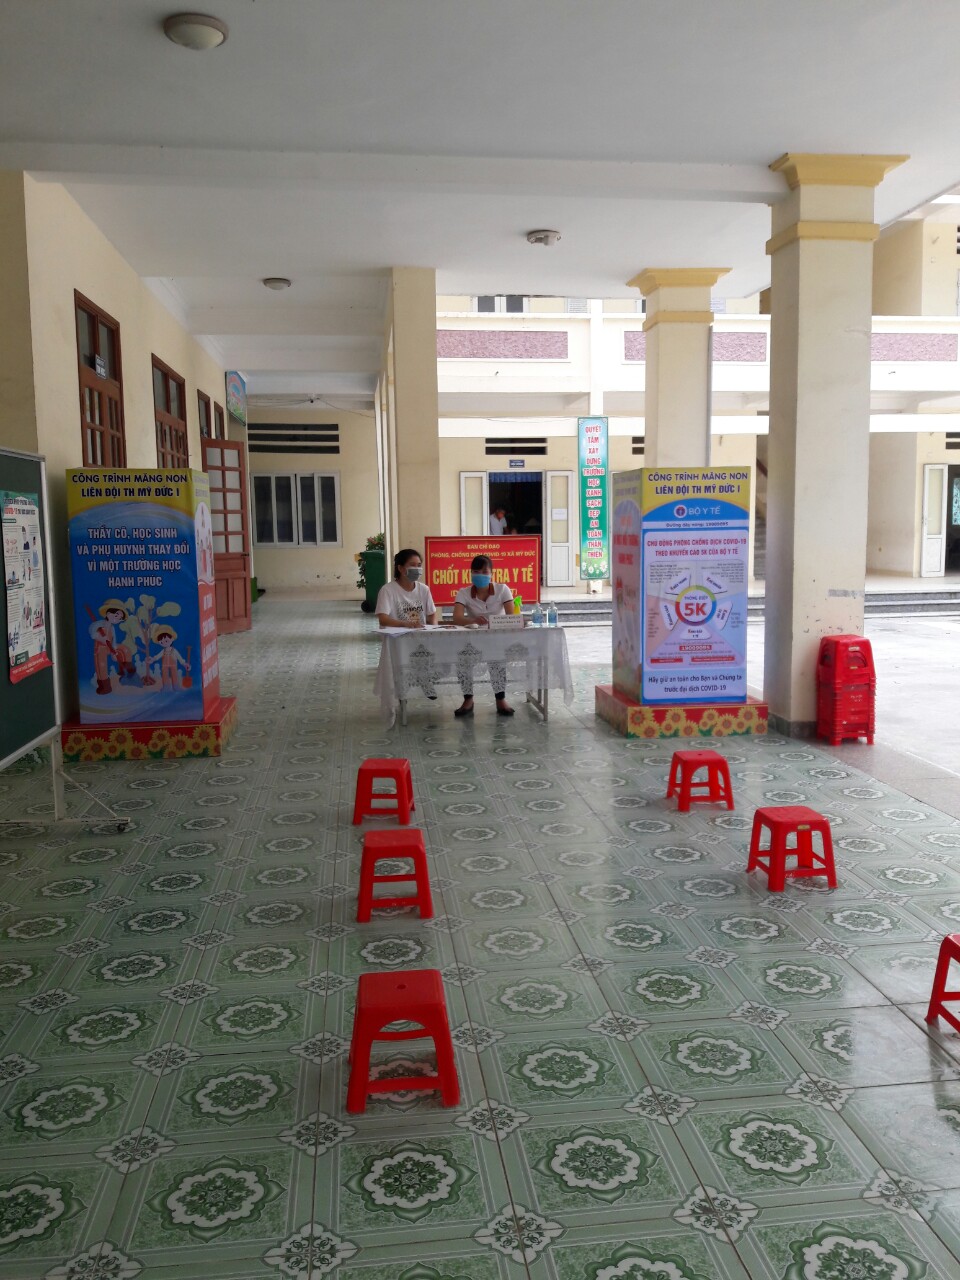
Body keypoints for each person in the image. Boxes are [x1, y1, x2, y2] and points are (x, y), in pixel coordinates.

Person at [450, 554, 515, 718]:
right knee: (463, 662)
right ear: (471, 573)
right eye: (476, 571)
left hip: (497, 638)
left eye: (485, 571)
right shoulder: (464, 592)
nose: (480, 575)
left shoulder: (502, 589)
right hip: (473, 638)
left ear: (492, 573)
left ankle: (501, 700)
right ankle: (468, 700)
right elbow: (457, 618)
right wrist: (472, 620)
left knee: (497, 662)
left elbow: (511, 615)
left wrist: (496, 623)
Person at [375, 548, 438, 629]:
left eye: (419, 565)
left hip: (420, 635)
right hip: (396, 636)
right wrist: (405, 624)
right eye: (412, 565)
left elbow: (432, 615)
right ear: (400, 568)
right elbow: (383, 620)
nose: (417, 569)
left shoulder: (424, 589)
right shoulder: (387, 590)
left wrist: (434, 630)